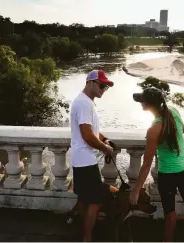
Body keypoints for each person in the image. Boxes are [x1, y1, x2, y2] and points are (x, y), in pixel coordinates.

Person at [129, 87, 184, 241]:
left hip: (168, 172)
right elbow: (183, 129)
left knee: (170, 211)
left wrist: (136, 190)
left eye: (142, 101)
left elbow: (147, 164)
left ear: (147, 105)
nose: (141, 103)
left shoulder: (154, 129)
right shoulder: (173, 111)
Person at [70, 69, 115, 242]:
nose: (104, 89)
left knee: (84, 200)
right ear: (90, 83)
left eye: (106, 87)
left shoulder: (85, 102)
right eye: (102, 85)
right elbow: (87, 136)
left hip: (80, 159)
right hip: (87, 161)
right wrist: (105, 148)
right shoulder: (84, 104)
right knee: (96, 201)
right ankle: (88, 238)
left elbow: (93, 130)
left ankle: (84, 233)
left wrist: (105, 139)